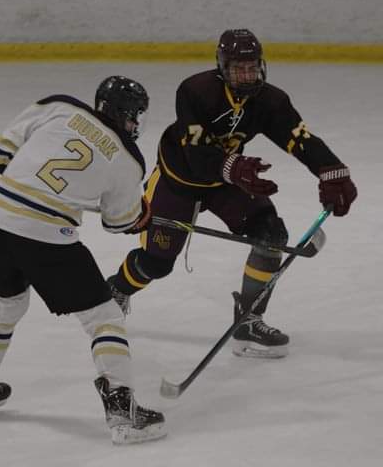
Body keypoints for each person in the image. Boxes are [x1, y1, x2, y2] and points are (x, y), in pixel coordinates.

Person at [107, 29, 357, 359]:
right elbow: (197, 156)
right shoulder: (195, 92)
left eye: (252, 67)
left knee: (270, 234)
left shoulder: (270, 100)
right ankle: (116, 290)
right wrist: (236, 168)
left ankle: (249, 322)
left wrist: (332, 171)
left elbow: (299, 138)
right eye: (239, 69)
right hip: (179, 182)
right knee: (156, 263)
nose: (247, 75)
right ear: (222, 67)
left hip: (226, 179)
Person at [0, 75, 166, 445]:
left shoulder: (59, 106)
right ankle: (123, 410)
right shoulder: (128, 160)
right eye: (136, 116)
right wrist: (140, 216)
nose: (135, 124)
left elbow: (1, 156)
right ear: (129, 115)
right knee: (104, 317)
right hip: (45, 237)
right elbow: (119, 221)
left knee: (7, 301)